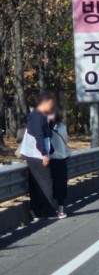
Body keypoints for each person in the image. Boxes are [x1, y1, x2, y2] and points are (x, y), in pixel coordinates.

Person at [20, 91, 57, 220]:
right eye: (51, 104)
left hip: (32, 154)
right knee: (46, 182)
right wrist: (44, 154)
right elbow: (39, 136)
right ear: (44, 103)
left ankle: (37, 211)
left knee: (36, 184)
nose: (52, 107)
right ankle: (48, 211)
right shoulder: (38, 117)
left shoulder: (35, 116)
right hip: (37, 155)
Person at [48, 109, 71, 219]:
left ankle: (51, 209)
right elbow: (66, 141)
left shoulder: (45, 128)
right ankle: (61, 209)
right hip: (61, 158)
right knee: (61, 185)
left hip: (48, 159)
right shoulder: (62, 127)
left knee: (50, 185)